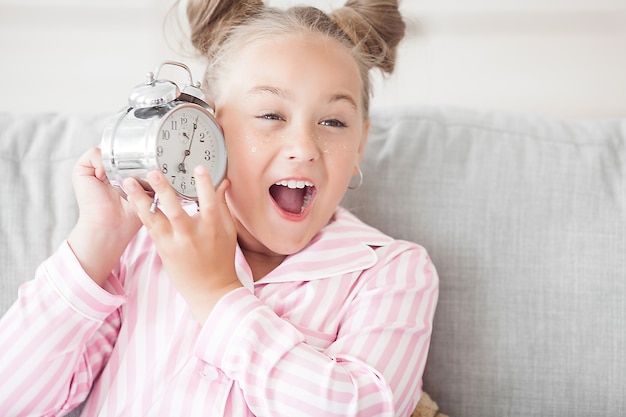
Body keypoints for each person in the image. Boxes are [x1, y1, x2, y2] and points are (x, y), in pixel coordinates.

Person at [0, 0, 439, 415]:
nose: (304, 148)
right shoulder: (143, 251)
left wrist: (216, 296)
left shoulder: (391, 271)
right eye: (270, 116)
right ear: (208, 131)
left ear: (360, 143)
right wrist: (98, 242)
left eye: (333, 122)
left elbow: (365, 408)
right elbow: (13, 398)